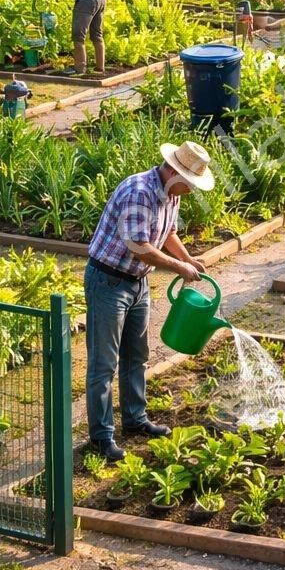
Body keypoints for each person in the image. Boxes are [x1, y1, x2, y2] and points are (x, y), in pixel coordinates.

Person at [84, 141, 218, 462]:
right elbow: (138, 246)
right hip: (109, 281)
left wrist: (189, 258)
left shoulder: (171, 194)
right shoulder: (139, 192)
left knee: (137, 355)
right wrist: (178, 267)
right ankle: (102, 437)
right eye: (188, 182)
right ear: (173, 171)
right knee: (104, 364)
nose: (190, 190)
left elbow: (168, 232)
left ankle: (135, 419)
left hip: (137, 282)